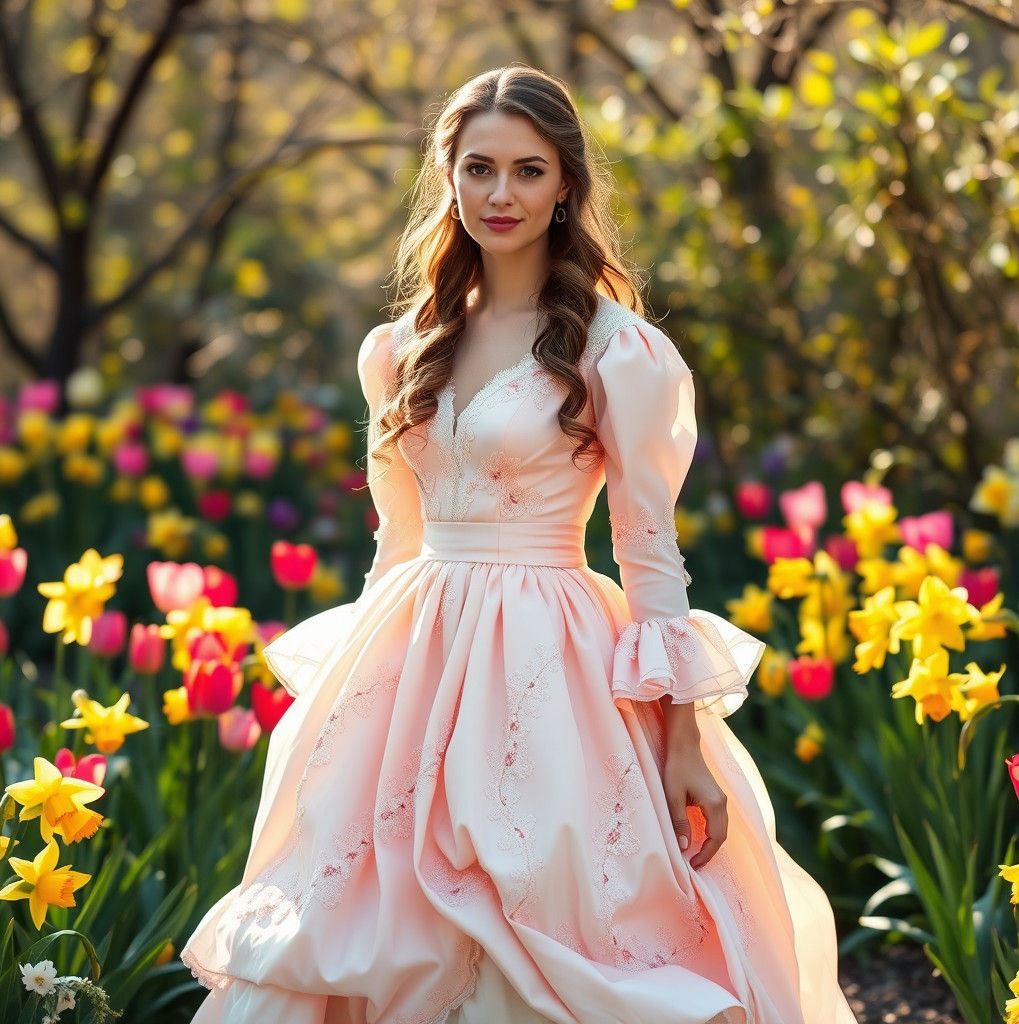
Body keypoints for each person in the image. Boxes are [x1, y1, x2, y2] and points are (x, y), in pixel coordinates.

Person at [180, 64, 858, 1024]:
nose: (502, 195)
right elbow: (397, 538)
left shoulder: (614, 349)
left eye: (529, 171)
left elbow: (649, 552)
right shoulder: (400, 347)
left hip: (551, 660)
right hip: (412, 663)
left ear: (566, 184)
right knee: (365, 914)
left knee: (545, 903)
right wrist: (349, 700)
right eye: (480, 169)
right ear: (448, 178)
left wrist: (684, 737)